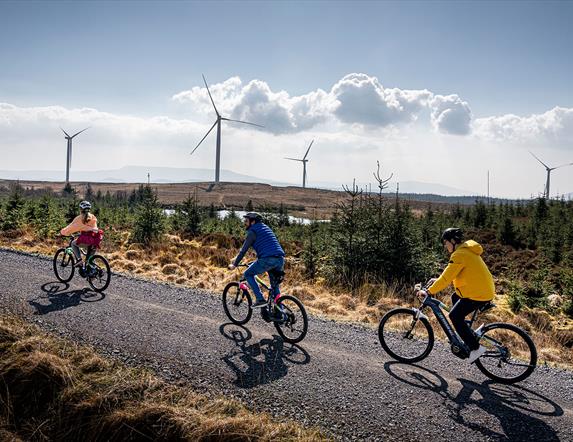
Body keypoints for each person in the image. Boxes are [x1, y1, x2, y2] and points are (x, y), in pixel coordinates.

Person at [417, 228, 495, 363]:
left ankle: (475, 348)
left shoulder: (459, 255)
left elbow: (446, 279)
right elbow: (454, 275)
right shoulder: (467, 251)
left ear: (453, 241)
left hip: (478, 294)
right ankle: (466, 332)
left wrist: (428, 292)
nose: (444, 245)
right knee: (455, 297)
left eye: (445, 242)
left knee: (454, 316)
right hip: (482, 290)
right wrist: (437, 281)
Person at [228, 212, 285, 309]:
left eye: (246, 221)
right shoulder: (265, 228)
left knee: (248, 274)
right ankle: (280, 315)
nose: (245, 223)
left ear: (253, 221)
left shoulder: (252, 232)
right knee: (274, 287)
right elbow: (267, 246)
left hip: (267, 260)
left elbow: (243, 250)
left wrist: (235, 264)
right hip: (280, 259)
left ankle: (260, 299)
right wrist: (255, 262)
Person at [60, 200, 101, 269]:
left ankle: (79, 260)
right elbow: (91, 229)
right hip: (96, 240)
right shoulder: (93, 217)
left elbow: (70, 228)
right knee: (89, 259)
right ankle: (93, 273)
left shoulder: (79, 219)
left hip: (87, 240)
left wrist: (62, 233)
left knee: (73, 243)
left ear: (81, 209)